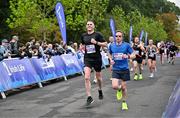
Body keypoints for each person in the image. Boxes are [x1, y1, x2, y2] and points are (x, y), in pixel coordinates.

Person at [81, 20, 107, 106]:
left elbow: (105, 44)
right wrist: (81, 48)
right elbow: (82, 45)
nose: (89, 25)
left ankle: (100, 89)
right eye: (87, 24)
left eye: (90, 24)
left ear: (94, 26)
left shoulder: (97, 34)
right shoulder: (83, 35)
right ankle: (89, 97)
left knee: (98, 78)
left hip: (97, 58)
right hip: (87, 58)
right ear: (86, 26)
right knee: (86, 77)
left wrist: (96, 42)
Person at [108, 30, 135, 110]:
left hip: (124, 69)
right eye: (116, 36)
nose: (118, 37)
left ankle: (124, 103)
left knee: (124, 87)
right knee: (114, 86)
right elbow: (109, 53)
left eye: (119, 36)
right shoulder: (112, 45)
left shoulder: (126, 45)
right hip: (116, 69)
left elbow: (134, 54)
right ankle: (118, 90)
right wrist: (110, 60)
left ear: (122, 37)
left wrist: (128, 57)